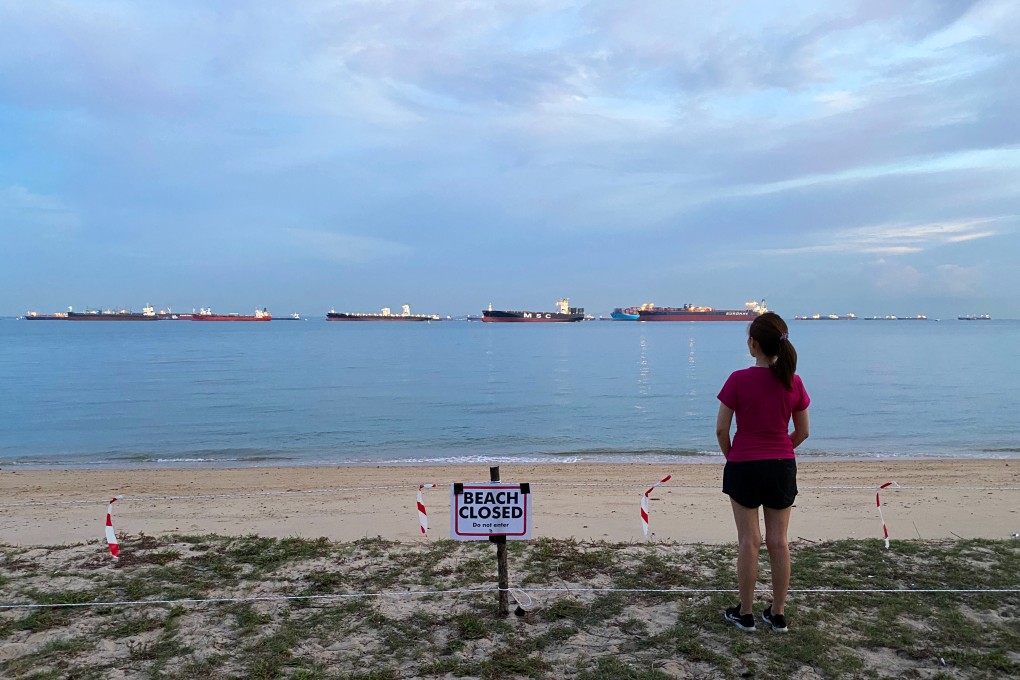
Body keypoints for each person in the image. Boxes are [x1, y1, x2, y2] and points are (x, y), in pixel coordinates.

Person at [716, 312, 810, 633]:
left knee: (748, 541)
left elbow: (720, 430)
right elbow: (803, 432)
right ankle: (778, 613)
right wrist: (781, 451)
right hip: (781, 466)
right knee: (779, 542)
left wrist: (736, 458)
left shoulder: (737, 379)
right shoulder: (793, 381)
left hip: (744, 465)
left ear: (752, 344)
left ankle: (745, 614)